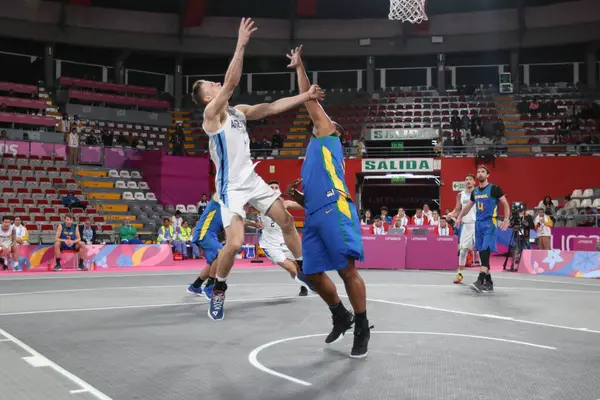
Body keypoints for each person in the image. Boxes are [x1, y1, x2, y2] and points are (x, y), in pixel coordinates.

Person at [191, 18, 323, 321]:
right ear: (210, 96)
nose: (217, 84)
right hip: (230, 189)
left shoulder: (239, 113)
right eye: (213, 85)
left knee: (287, 220)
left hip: (252, 180)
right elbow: (232, 82)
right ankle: (219, 289)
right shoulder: (211, 115)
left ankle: (304, 269)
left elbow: (274, 107)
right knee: (234, 244)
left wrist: (306, 96)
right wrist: (241, 43)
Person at [287, 45, 370, 358]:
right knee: (309, 272)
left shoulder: (328, 135)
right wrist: (297, 196)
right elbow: (310, 198)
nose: (322, 118)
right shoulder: (314, 152)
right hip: (316, 213)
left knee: (346, 271)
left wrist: (298, 67)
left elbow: (308, 98)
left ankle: (361, 326)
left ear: (336, 131)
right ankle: (340, 314)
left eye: (327, 118)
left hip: (336, 208)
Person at [456, 165, 510, 293]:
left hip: (489, 223)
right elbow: (468, 207)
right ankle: (489, 282)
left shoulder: (494, 189)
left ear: (488, 175)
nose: (480, 174)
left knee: (485, 251)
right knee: (481, 252)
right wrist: (459, 217)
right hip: (477, 224)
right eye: (478, 172)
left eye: (483, 172)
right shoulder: (475, 192)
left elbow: (505, 204)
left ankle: (480, 281)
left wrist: (506, 219)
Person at [255, 181, 313, 296]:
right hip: (270, 244)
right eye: (271, 187)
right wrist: (254, 222)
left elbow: (305, 204)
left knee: (298, 266)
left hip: (287, 241)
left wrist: (312, 198)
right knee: (291, 267)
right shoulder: (260, 203)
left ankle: (303, 286)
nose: (274, 189)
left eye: (276, 187)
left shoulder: (285, 204)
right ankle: (309, 284)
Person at [188, 194, 224, 299]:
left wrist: (254, 224)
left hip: (212, 235)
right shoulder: (217, 199)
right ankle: (210, 286)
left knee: (213, 263)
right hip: (204, 232)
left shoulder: (228, 208)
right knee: (220, 253)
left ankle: (195, 286)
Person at [448, 174, 479, 284]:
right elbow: (457, 210)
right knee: (463, 251)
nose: (468, 181)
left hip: (479, 224)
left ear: (474, 182)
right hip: (466, 225)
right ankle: (460, 275)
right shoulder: (460, 195)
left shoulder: (479, 192)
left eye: (470, 179)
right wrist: (451, 214)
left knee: (483, 251)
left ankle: (484, 276)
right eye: (466, 179)